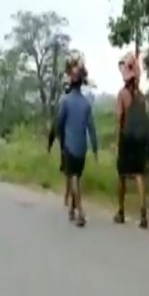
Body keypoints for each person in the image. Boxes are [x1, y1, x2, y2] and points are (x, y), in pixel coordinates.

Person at [56, 51, 98, 228]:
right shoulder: (86, 103)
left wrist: (60, 141)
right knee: (76, 178)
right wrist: (95, 149)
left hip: (70, 146)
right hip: (82, 148)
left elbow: (59, 124)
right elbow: (92, 128)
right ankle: (72, 210)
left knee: (72, 178)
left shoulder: (65, 101)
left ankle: (80, 211)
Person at [114, 51, 149, 228]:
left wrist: (117, 140)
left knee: (122, 175)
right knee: (139, 175)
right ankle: (143, 212)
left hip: (126, 138)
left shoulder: (122, 95)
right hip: (140, 140)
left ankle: (121, 211)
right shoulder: (142, 96)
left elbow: (119, 119)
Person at [48, 74, 72, 208]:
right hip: (73, 139)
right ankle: (68, 196)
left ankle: (68, 196)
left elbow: (56, 123)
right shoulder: (78, 99)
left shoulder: (63, 101)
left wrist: (51, 142)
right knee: (71, 170)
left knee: (68, 170)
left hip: (66, 140)